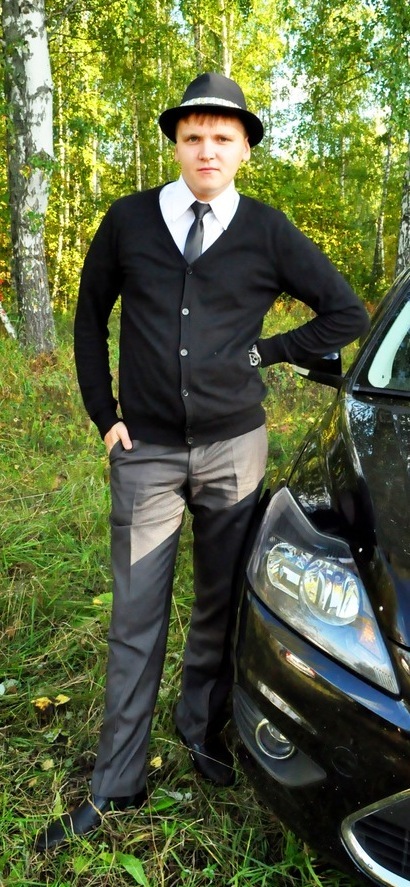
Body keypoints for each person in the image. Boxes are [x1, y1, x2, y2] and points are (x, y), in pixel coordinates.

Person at [36, 72, 369, 851]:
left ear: (245, 149)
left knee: (221, 604)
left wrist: (268, 351)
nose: (207, 150)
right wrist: (104, 415)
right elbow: (88, 314)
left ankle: (201, 731)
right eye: (193, 137)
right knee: (135, 617)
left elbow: (346, 310)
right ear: (176, 145)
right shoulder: (128, 221)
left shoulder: (267, 231)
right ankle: (117, 782)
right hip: (145, 451)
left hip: (234, 451)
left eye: (223, 137)